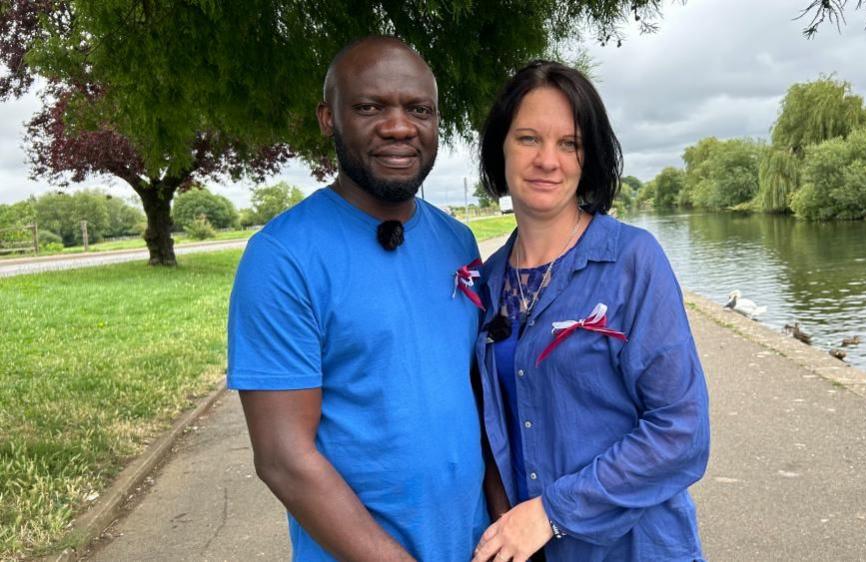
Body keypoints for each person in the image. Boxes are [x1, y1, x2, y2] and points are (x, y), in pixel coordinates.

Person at [227, 36, 489, 561]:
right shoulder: (282, 258)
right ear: (329, 118)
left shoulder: (457, 242)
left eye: (419, 109)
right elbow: (284, 459)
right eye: (370, 107)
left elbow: (474, 392)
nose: (399, 126)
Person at [470, 61, 710, 562]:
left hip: (638, 547)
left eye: (569, 144)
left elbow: (681, 430)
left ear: (589, 157)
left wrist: (551, 512)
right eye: (529, 138)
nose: (547, 160)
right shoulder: (488, 282)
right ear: (501, 148)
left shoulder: (632, 261)